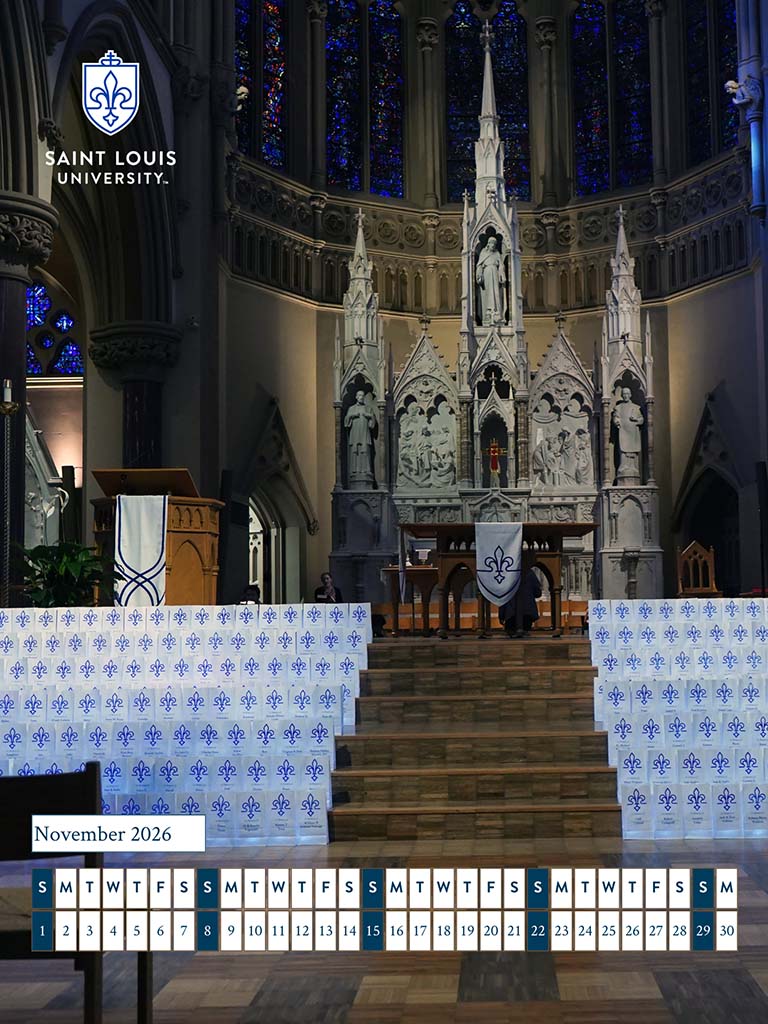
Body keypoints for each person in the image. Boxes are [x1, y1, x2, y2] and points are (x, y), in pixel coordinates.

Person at [499, 568, 542, 637]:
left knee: (511, 633)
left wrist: (501, 616)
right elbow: (538, 593)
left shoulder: (507, 572)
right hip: (527, 616)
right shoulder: (530, 573)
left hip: (510, 615)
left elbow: (502, 595)